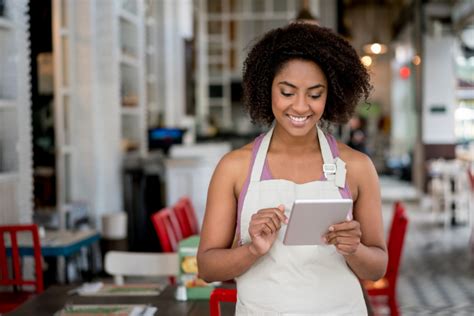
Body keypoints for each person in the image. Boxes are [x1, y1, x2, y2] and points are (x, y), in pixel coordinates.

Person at [197, 23, 387, 315]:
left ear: (331, 95)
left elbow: (376, 269)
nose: (300, 107)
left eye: (314, 94)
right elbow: (207, 268)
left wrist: (354, 249)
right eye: (287, 92)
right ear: (267, 88)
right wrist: (252, 250)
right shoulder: (234, 168)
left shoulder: (358, 167)